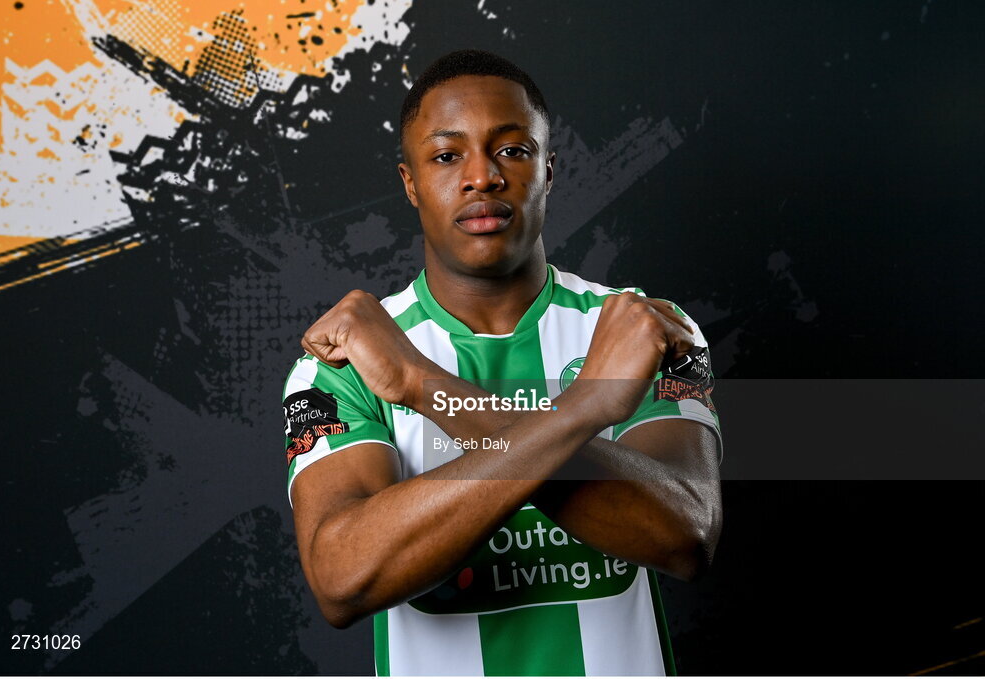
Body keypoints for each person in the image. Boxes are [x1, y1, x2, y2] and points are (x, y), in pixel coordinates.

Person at [283, 49, 722, 676]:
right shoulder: (341, 362)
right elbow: (343, 578)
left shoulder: (643, 329)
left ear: (548, 170)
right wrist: (586, 410)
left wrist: (424, 388)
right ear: (410, 183)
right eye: (445, 155)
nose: (481, 176)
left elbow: (686, 534)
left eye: (512, 150)